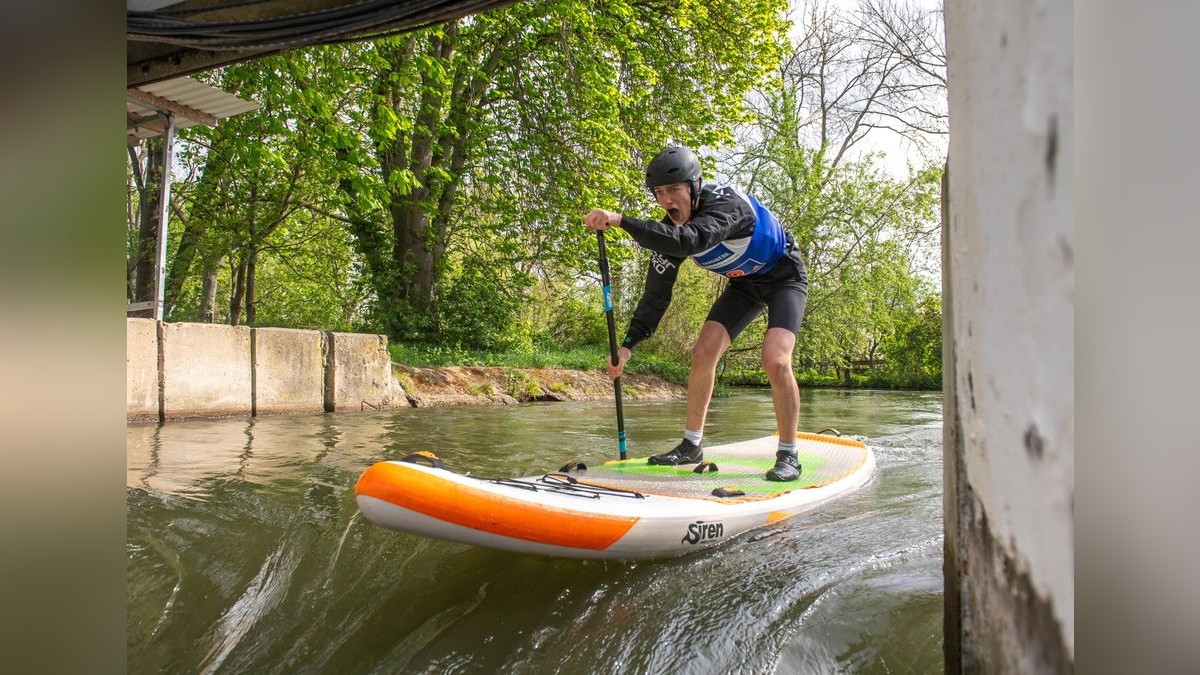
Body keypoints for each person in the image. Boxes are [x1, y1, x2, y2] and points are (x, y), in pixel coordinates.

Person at [584, 146, 809, 481]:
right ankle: (691, 445)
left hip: (784, 277)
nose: (666, 201)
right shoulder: (668, 232)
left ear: (694, 186)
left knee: (775, 359)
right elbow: (656, 295)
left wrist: (621, 221)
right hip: (744, 284)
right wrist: (628, 345)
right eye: (659, 193)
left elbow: (689, 241)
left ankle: (789, 454)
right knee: (703, 352)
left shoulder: (726, 207)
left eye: (673, 190)